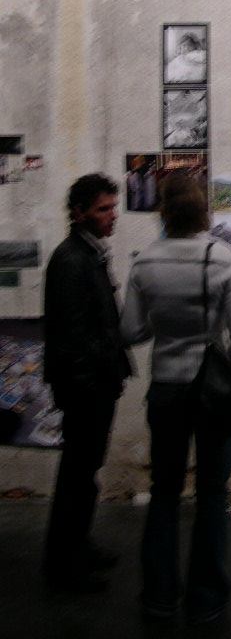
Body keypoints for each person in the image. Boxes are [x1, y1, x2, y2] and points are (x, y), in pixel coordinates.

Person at [121, 175, 231, 624]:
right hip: (212, 390)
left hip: (165, 388)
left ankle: (159, 595)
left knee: (164, 491)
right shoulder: (222, 258)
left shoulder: (144, 262)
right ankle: (206, 596)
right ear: (202, 211)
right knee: (212, 493)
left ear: (164, 212)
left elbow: (130, 332)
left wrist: (162, 325)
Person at [43, 173, 133, 591]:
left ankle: (78, 546)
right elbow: (72, 336)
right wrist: (89, 385)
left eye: (113, 207)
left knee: (85, 472)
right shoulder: (71, 260)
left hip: (94, 383)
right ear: (79, 213)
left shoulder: (88, 253)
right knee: (77, 475)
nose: (112, 215)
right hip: (86, 388)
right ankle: (63, 564)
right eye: (103, 209)